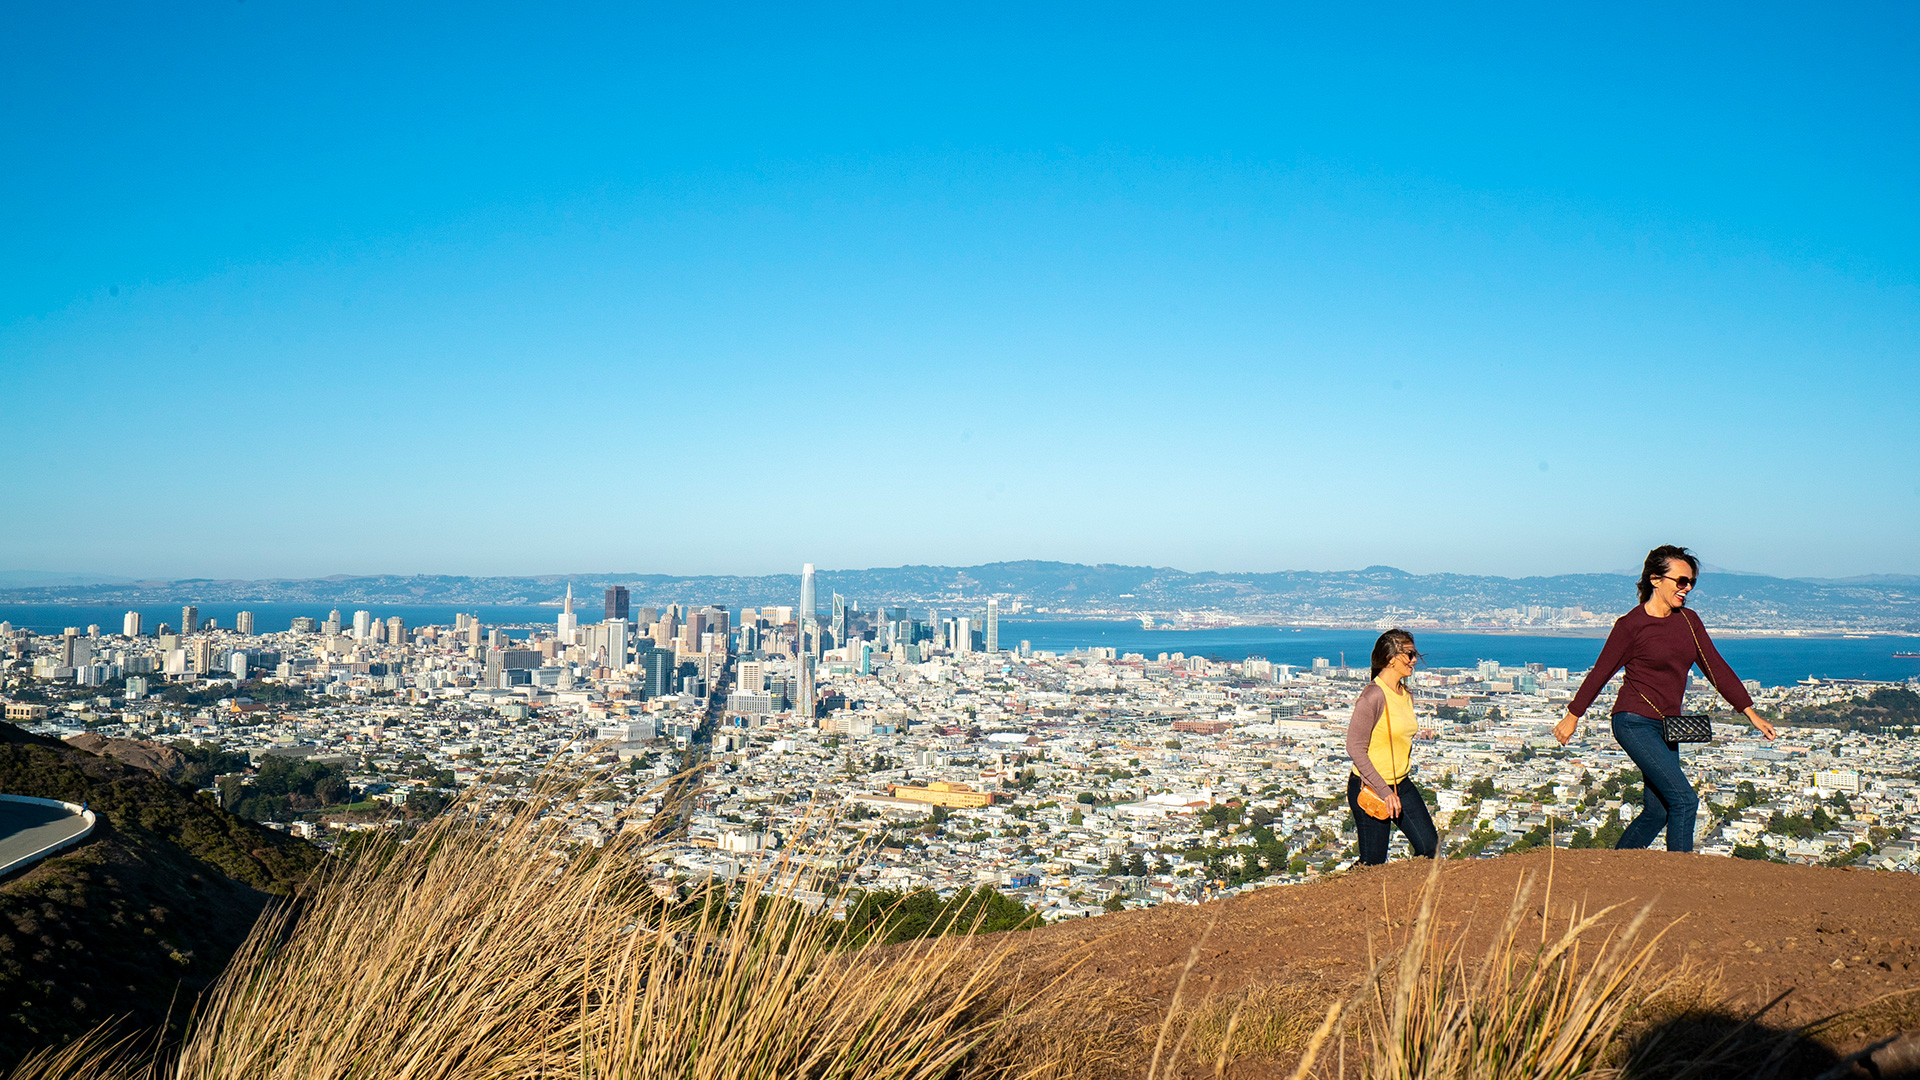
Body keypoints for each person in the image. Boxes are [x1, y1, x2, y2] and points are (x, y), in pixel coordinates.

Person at [1554, 545, 1777, 852]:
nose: (1687, 588)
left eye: (1691, 583)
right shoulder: (1631, 626)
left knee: (1658, 810)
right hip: (1633, 721)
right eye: (1681, 581)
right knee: (1684, 799)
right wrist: (1573, 715)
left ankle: (1614, 868)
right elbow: (1600, 672)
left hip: (1668, 726)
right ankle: (1681, 879)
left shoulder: (1689, 621)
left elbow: (1716, 667)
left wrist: (1751, 713)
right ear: (1656, 580)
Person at [1346, 628, 1438, 864]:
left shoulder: (1405, 693)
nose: (1414, 659)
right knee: (1373, 862)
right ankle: (1339, 895)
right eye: (1409, 654)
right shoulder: (1373, 696)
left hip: (1401, 784)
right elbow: (1354, 747)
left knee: (1429, 847)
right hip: (1371, 787)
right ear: (1391, 658)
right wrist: (1384, 791)